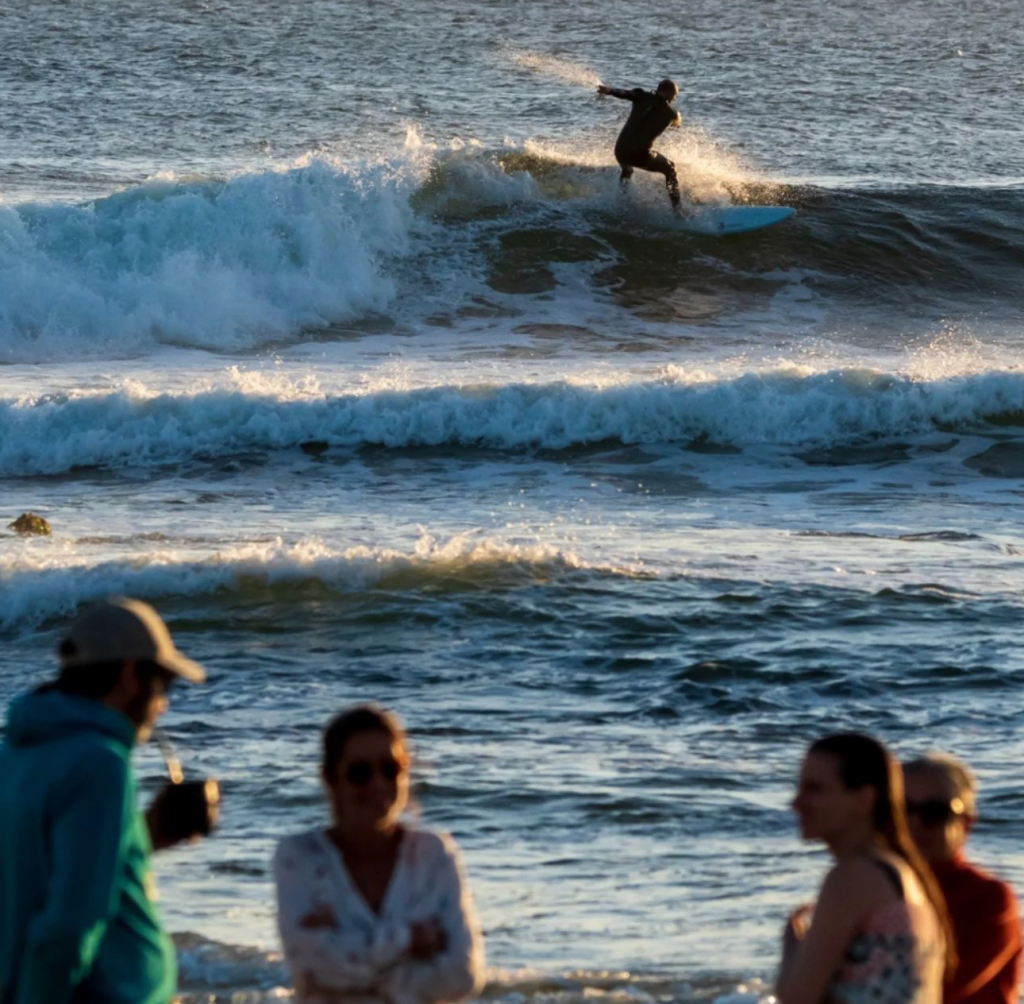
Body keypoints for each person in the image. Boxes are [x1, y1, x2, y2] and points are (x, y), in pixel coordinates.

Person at [0, 598, 208, 1004]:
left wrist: (148, 835)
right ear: (131, 674)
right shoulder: (99, 764)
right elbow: (69, 925)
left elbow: (41, 875)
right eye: (163, 684)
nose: (163, 703)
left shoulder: (16, 754)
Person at [274, 704, 484, 1004]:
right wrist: (408, 940)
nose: (378, 784)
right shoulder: (300, 857)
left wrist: (355, 976)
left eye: (390, 769)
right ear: (331, 778)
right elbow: (316, 967)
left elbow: (462, 976)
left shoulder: (433, 854)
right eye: (361, 773)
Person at [778, 733, 951, 1004]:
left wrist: (792, 947)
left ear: (863, 799)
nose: (796, 802)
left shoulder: (852, 877)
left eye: (814, 789)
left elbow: (796, 999)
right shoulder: (904, 874)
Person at [904, 754, 1022, 1004]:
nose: (915, 824)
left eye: (934, 813)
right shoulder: (875, 887)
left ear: (965, 823)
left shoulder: (987, 900)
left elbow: (931, 994)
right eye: (903, 810)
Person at [597, 78, 683, 210]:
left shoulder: (640, 95)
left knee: (627, 169)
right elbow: (677, 123)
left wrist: (609, 91)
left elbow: (624, 93)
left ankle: (621, 201)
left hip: (620, 150)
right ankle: (678, 211)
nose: (674, 99)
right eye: (674, 95)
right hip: (639, 155)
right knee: (670, 169)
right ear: (669, 95)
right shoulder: (671, 114)